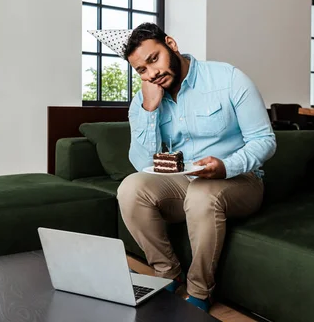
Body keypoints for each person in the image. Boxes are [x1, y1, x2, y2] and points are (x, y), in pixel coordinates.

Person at [90, 23, 276, 312]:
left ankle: (201, 292)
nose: (152, 73)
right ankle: (167, 274)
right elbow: (142, 164)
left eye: (154, 59)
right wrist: (150, 109)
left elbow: (264, 141)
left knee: (203, 194)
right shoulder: (144, 101)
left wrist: (226, 166)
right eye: (141, 70)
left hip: (240, 180)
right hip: (184, 183)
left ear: (171, 44)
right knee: (130, 189)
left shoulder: (228, 78)